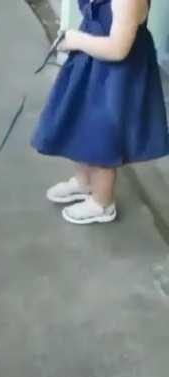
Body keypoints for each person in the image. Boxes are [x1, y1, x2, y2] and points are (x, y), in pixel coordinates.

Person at [31, 0, 169, 225]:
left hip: (116, 78)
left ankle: (102, 203)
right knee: (80, 124)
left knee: (102, 135)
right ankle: (84, 181)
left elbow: (118, 49)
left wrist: (77, 40)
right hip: (91, 65)